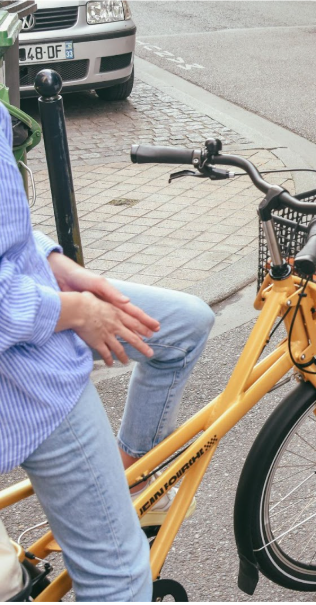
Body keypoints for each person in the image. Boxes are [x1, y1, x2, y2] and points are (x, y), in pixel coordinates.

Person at [0, 104, 215, 600]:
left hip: (33, 292)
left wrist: (55, 261)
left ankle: (131, 477)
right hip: (25, 372)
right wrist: (78, 311)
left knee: (186, 323)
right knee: (117, 574)